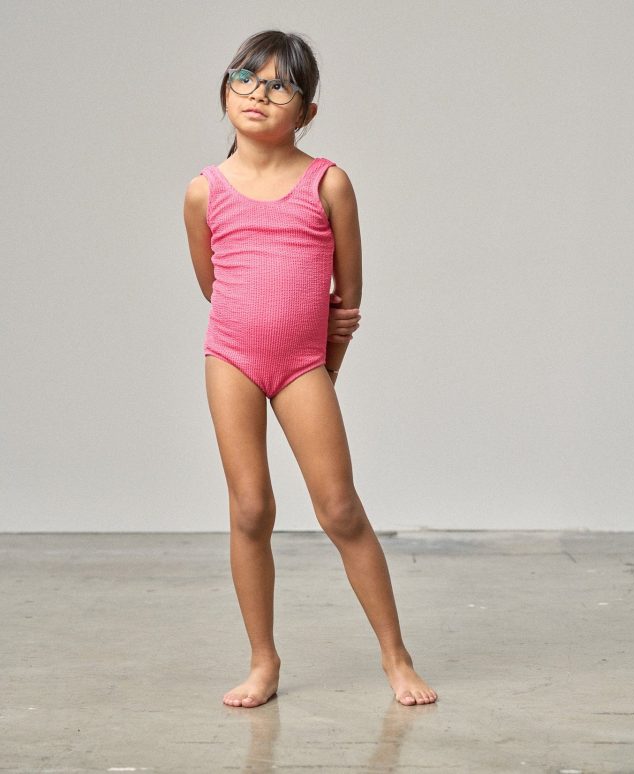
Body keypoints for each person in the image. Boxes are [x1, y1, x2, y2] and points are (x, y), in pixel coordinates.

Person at [183, 29, 438, 709]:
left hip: (303, 366)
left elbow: (346, 298)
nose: (259, 92)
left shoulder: (328, 183)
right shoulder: (204, 192)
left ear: (307, 111)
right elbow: (216, 285)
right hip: (230, 359)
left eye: (280, 84)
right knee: (250, 508)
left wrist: (321, 366)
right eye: (246, 76)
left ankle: (396, 656)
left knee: (341, 509)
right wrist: (262, 325)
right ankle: (263, 661)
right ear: (225, 89)